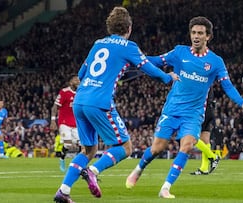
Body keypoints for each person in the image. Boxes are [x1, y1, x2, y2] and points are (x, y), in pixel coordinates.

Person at [53, 6, 179, 203]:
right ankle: (93, 171)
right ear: (129, 28)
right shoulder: (129, 46)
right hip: (99, 102)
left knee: (88, 150)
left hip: (79, 101)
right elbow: (149, 69)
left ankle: (64, 191)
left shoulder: (97, 44)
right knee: (125, 146)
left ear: (109, 27)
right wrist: (168, 77)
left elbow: (80, 75)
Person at [125, 16, 243, 198]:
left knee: (186, 146)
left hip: (193, 114)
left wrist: (242, 102)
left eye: (200, 33)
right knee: (157, 148)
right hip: (172, 109)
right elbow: (156, 61)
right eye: (194, 32)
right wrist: (132, 58)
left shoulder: (216, 62)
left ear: (208, 37)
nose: (196, 36)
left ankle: (165, 188)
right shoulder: (179, 52)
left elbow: (227, 86)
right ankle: (139, 168)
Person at [50, 75, 80, 172]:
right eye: (75, 80)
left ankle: (77, 164)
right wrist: (53, 120)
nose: (78, 81)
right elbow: (55, 107)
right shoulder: (64, 92)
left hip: (76, 123)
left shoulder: (81, 92)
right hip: (64, 122)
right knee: (67, 144)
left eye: (78, 79)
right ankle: (62, 159)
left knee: (82, 145)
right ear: (70, 82)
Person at [190, 89, 220, 175]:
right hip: (209, 110)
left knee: (191, 137)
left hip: (201, 110)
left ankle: (213, 157)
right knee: (205, 140)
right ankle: (204, 168)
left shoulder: (201, 80)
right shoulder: (208, 81)